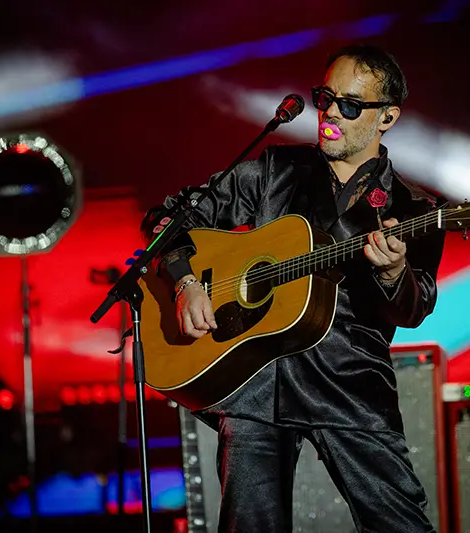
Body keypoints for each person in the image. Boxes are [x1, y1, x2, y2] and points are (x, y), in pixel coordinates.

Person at [141, 44, 445, 533]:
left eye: (349, 105)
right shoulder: (274, 172)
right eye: (324, 97)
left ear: (387, 117)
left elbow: (417, 306)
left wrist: (393, 275)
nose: (328, 113)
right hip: (255, 382)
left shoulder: (414, 209)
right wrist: (185, 283)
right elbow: (167, 222)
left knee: (399, 524)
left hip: (348, 383)